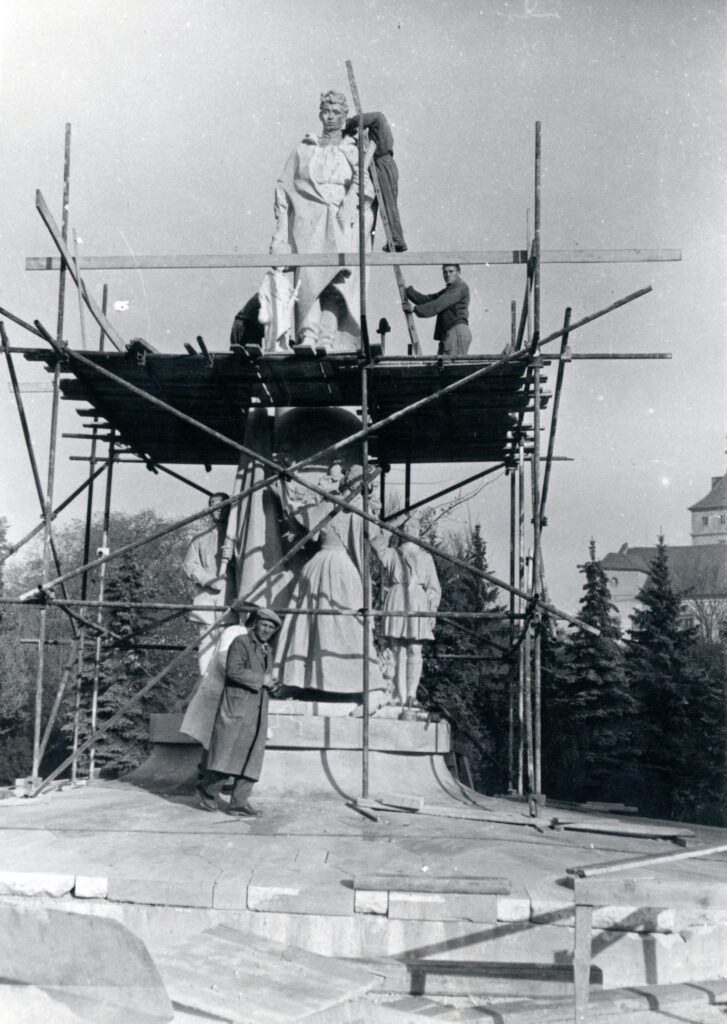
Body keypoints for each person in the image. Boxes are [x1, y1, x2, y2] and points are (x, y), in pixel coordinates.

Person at [269, 89, 375, 351]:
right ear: (320, 114)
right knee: (309, 280)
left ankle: (327, 338)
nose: (330, 117)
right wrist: (281, 233)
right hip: (309, 222)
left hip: (343, 222)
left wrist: (357, 206)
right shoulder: (305, 148)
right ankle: (308, 335)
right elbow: (284, 187)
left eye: (336, 113)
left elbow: (367, 190)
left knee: (337, 282)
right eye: (326, 112)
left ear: (344, 116)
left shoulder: (353, 151)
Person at [197, 607, 281, 816]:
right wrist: (262, 680)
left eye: (271, 628)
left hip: (258, 709)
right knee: (227, 753)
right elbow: (234, 671)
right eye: (264, 625)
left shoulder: (266, 650)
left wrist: (273, 685)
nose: (266, 630)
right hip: (237, 707)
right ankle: (207, 791)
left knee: (253, 756)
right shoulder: (240, 642)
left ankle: (239, 802)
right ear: (256, 623)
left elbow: (264, 678)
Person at [371, 516, 441, 711]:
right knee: (396, 649)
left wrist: (431, 610)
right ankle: (398, 695)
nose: (411, 529)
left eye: (414, 526)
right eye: (407, 526)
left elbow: (434, 588)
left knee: (414, 649)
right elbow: (376, 541)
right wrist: (392, 525)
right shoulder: (391, 554)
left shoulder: (426, 557)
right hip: (397, 597)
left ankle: (411, 695)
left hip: (417, 601)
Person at [183, 493, 235, 679]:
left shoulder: (237, 538)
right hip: (207, 596)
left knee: (228, 641)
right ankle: (205, 682)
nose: (217, 509)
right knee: (206, 642)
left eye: (221, 505)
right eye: (212, 505)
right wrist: (208, 580)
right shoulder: (200, 538)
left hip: (230, 596)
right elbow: (190, 565)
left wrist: (234, 554)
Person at [344, 111, 407, 252]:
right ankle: (395, 238)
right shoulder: (376, 129)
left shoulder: (378, 118)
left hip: (383, 163)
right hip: (382, 163)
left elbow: (366, 118)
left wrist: (350, 123)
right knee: (385, 202)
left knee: (388, 202)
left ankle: (397, 239)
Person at [404, 264, 472, 357]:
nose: (447, 274)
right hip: (449, 332)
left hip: (456, 331)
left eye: (451, 271)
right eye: (445, 272)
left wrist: (414, 309)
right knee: (442, 365)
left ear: (459, 272)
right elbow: (428, 300)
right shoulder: (449, 290)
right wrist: (408, 290)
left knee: (449, 367)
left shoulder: (460, 287)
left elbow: (438, 305)